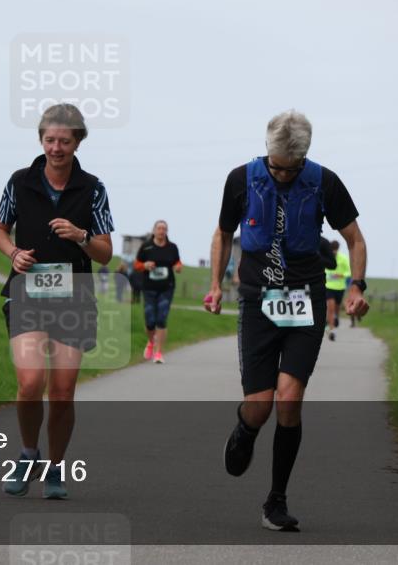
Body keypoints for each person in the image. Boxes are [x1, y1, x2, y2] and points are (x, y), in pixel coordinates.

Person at [203, 110, 369, 532]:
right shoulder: (241, 179)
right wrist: (216, 285)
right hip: (258, 299)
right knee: (260, 406)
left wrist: (356, 287)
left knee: (290, 399)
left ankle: (276, 500)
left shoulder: (324, 182)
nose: (279, 174)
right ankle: (245, 429)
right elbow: (223, 233)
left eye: (287, 169)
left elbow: (355, 238)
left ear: (302, 159)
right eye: (274, 165)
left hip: (307, 300)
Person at [0, 103, 114, 500]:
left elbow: (105, 252)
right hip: (27, 290)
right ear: (40, 139)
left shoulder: (93, 188)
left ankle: (56, 467)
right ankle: (28, 452)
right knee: (29, 383)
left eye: (64, 141)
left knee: (62, 390)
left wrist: (80, 236)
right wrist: (12, 253)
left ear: (78, 142)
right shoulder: (19, 181)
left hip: (74, 296)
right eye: (49, 140)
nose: (56, 148)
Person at [135, 220, 182, 364]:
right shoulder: (146, 247)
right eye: (159, 228)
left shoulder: (172, 247)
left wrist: (178, 267)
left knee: (161, 318)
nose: (162, 231)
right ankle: (151, 342)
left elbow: (177, 262)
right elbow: (137, 265)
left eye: (164, 228)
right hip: (149, 287)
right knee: (150, 320)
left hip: (166, 288)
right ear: (154, 230)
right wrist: (145, 265)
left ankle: (158, 352)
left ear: (166, 231)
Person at [324, 240, 350, 341]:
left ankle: (336, 317)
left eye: (335, 250)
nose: (334, 252)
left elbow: (349, 272)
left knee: (336, 308)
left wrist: (341, 275)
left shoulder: (343, 258)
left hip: (340, 287)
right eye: (332, 250)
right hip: (329, 286)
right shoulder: (326, 257)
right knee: (330, 308)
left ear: (338, 249)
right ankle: (332, 331)